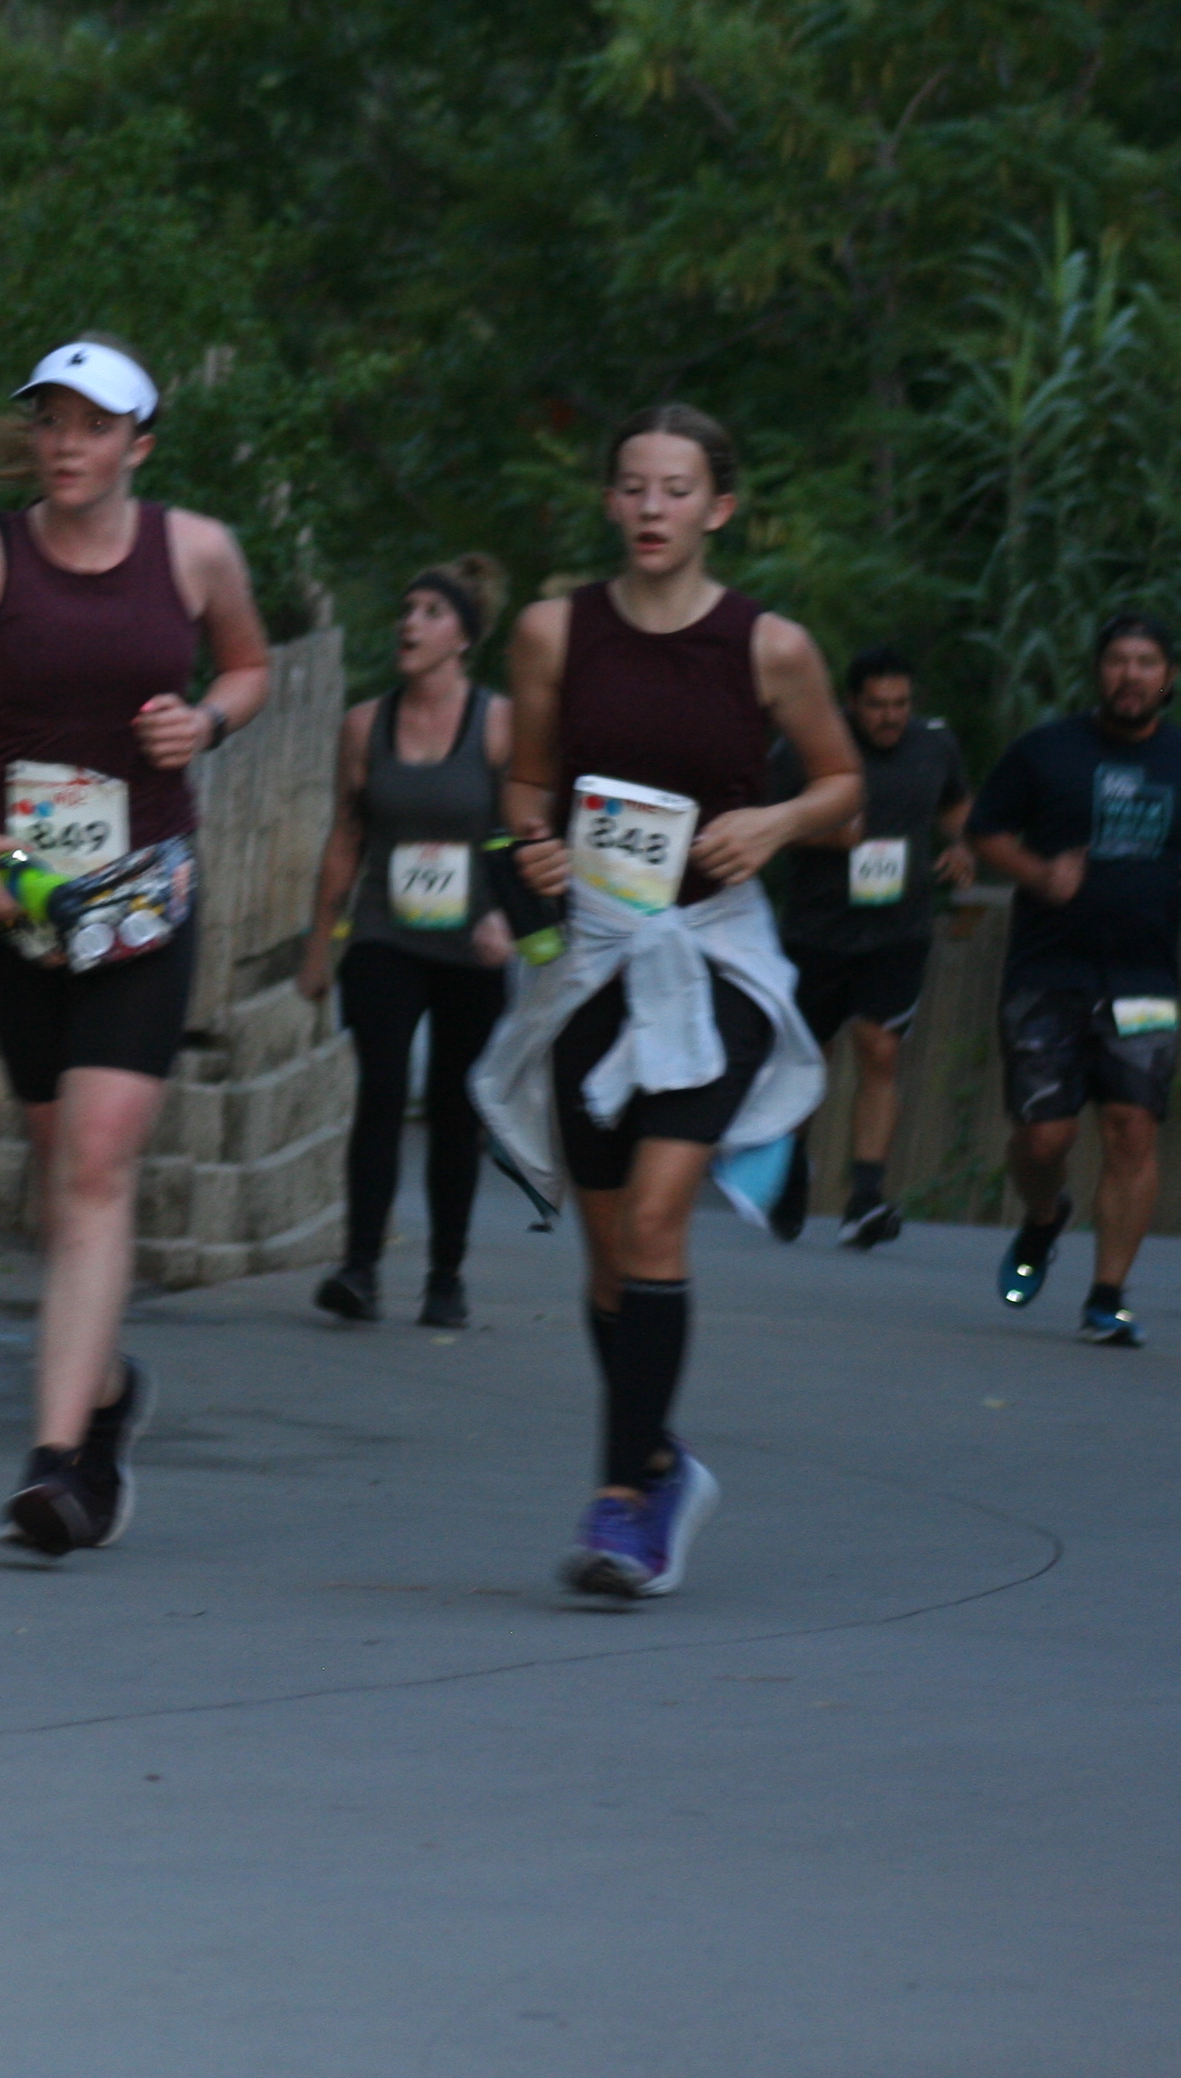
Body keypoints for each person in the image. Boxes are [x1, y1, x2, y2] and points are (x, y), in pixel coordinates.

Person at [0, 335, 271, 1559]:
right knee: (55, 1167)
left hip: (143, 895)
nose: (67, 445)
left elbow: (250, 666)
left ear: (140, 444)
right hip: (18, 897)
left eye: (93, 426)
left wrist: (209, 721)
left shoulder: (195, 553)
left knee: (96, 1166)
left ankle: (57, 1470)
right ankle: (107, 1392)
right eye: (50, 422)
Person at [471, 406, 859, 1601]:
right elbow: (526, 783)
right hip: (594, 954)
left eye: (677, 489)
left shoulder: (770, 647)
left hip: (710, 957)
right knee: (606, 1258)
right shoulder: (552, 633)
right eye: (633, 486)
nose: (652, 507)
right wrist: (532, 844)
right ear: (610, 501)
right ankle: (660, 1464)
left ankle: (624, 1506)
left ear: (718, 508)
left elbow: (843, 787)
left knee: (651, 1223)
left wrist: (775, 822)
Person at [966, 616, 1181, 1345]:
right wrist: (1039, 874)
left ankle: (1106, 1297)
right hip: (1048, 972)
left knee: (1132, 1130)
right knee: (1043, 1138)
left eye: (1147, 662)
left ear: (1169, 677)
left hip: (1143, 976)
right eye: (1118, 661)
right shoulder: (1047, 751)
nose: (1131, 675)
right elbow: (985, 830)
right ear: (1099, 671)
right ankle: (1043, 1215)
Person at [298, 560, 515, 1330]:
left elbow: (528, 833)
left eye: (431, 612)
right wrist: (319, 945)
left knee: (456, 1110)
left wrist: (510, 919)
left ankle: (445, 1278)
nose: (410, 623)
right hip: (384, 933)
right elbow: (346, 836)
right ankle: (359, 1267)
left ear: (463, 637)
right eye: (406, 609)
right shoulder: (366, 725)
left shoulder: (498, 723)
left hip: (471, 944)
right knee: (382, 1092)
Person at [762, 645, 973, 1248]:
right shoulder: (809, 746)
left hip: (899, 929)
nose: (890, 717)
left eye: (900, 704)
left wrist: (961, 845)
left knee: (880, 1050)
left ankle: (865, 1197)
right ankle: (791, 1169)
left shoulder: (935, 744)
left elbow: (958, 804)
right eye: (877, 705)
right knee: (812, 1058)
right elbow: (764, 820)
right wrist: (827, 837)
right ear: (851, 704)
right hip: (818, 930)